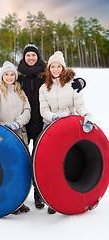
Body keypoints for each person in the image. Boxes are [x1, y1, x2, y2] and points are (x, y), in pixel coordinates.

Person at [0, 43, 87, 210]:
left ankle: (40, 196)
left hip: (43, 123)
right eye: (27, 55)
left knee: (43, 162)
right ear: (23, 58)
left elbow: (62, 79)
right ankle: (18, 199)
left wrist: (81, 81)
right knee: (21, 163)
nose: (31, 58)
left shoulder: (44, 73)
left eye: (33, 55)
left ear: (38, 57)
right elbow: (6, 85)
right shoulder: (19, 76)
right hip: (22, 126)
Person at [39, 51, 93, 214]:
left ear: (63, 67)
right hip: (50, 127)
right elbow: (43, 109)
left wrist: (86, 115)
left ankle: (68, 197)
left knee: (67, 161)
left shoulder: (72, 84)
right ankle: (51, 200)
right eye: (52, 66)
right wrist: (53, 117)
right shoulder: (44, 87)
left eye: (59, 66)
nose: (55, 69)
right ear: (49, 68)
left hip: (69, 128)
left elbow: (79, 104)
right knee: (50, 165)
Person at [0, 61, 31, 214]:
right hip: (4, 137)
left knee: (22, 171)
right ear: (2, 76)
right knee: (7, 170)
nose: (9, 77)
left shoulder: (20, 92)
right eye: (6, 74)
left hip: (20, 135)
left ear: (15, 76)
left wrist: (17, 123)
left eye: (12, 74)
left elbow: (27, 111)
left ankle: (20, 202)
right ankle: (10, 203)